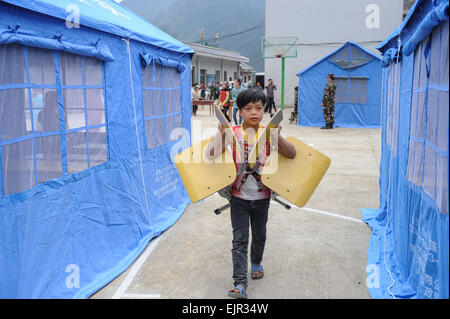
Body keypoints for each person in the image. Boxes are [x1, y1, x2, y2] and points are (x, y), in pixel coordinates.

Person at [206, 88, 296, 299]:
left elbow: (291, 153)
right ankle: (239, 283)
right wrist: (220, 132)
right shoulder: (233, 132)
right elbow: (210, 154)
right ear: (241, 110)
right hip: (238, 197)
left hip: (262, 198)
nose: (254, 112)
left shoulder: (268, 133)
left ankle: (256, 262)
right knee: (239, 240)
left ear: (264, 109)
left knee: (259, 234)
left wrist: (277, 135)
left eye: (258, 108)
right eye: (248, 108)